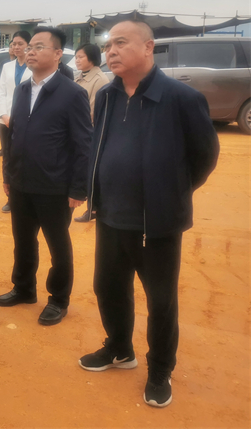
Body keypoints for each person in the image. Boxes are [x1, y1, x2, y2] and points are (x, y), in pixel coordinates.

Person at [78, 21, 219, 408]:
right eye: (109, 45)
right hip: (110, 216)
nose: (111, 52)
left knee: (161, 301)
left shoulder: (180, 98)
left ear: (148, 47)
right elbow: (99, 145)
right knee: (108, 288)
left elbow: (205, 157)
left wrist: (170, 193)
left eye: (121, 43)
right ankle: (120, 349)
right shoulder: (107, 96)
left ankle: (160, 370)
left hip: (155, 224)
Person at [0, 27, 92, 326]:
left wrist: (78, 188)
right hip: (21, 181)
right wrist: (9, 174)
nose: (30, 52)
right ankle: (23, 288)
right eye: (29, 47)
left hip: (54, 186)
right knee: (23, 241)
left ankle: (58, 299)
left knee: (57, 246)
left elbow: (83, 144)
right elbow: (14, 136)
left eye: (39, 47)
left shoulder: (72, 93)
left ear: (58, 53)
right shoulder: (23, 89)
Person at [73, 43, 110, 223]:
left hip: (89, 134)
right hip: (76, 131)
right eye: (76, 57)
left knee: (92, 173)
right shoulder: (79, 77)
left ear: (92, 58)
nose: (77, 60)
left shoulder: (100, 80)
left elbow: (92, 112)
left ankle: (93, 209)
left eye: (81, 57)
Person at [0, 31, 32, 212]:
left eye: (20, 44)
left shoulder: (34, 66)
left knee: (26, 156)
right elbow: (1, 91)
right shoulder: (7, 67)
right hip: (6, 120)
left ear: (28, 45)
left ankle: (27, 194)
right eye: (14, 44)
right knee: (8, 157)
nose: (16, 47)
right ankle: (11, 197)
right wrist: (4, 114)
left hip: (27, 120)